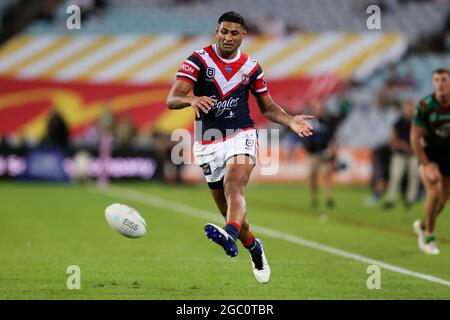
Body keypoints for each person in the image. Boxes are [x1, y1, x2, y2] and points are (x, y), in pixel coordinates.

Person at [166, 11, 314, 283]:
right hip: (207, 142)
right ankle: (254, 248)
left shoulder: (252, 68)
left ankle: (229, 235)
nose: (228, 37)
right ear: (217, 32)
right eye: (224, 32)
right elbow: (172, 98)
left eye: (234, 33)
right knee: (229, 212)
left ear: (243, 35)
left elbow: (268, 108)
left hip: (241, 134)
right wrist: (192, 100)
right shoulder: (198, 60)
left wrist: (290, 120)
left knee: (235, 186)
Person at [411, 68, 450, 255]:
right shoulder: (425, 105)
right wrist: (426, 164)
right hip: (430, 154)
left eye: (444, 79)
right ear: (433, 83)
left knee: (442, 202)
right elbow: (414, 137)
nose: (440, 83)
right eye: (436, 80)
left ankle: (423, 225)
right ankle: (430, 236)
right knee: (434, 191)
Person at [301, 100, 339, 208]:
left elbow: (332, 137)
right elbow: (305, 137)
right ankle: (314, 198)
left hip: (324, 152)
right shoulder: (309, 122)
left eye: (320, 109)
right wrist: (307, 147)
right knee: (312, 176)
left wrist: (331, 148)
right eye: (317, 109)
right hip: (312, 153)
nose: (319, 111)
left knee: (326, 174)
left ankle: (328, 197)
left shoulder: (327, 122)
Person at [384, 100, 420, 210]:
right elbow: (393, 139)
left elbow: (422, 137)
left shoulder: (418, 121)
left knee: (414, 177)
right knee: (395, 176)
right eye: (407, 107)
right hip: (400, 153)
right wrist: (403, 146)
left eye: (411, 107)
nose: (409, 110)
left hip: (414, 153)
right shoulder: (399, 122)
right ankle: (391, 200)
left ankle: (410, 200)